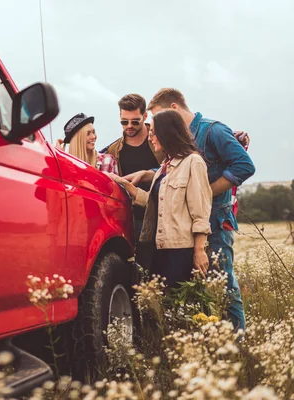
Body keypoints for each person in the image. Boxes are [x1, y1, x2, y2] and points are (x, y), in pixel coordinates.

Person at [130, 88, 255, 331]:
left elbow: (244, 166)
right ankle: (208, 338)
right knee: (197, 290)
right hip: (187, 227)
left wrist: (204, 192)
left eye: (157, 117)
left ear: (173, 109)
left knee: (224, 285)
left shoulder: (212, 130)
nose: (154, 127)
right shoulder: (179, 143)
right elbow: (180, 174)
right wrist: (149, 175)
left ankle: (237, 343)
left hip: (214, 221)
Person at [108, 109, 212, 288]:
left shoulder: (193, 163)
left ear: (167, 133)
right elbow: (160, 203)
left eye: (154, 133)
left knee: (179, 306)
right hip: (159, 248)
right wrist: (131, 190)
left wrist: (199, 250)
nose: (150, 137)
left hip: (181, 251)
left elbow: (200, 212)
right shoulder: (166, 166)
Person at [102, 94, 165, 239]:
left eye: (135, 122)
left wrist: (147, 174)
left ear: (145, 116)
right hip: (131, 219)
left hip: (161, 215)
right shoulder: (113, 150)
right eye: (124, 122)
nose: (129, 126)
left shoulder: (160, 141)